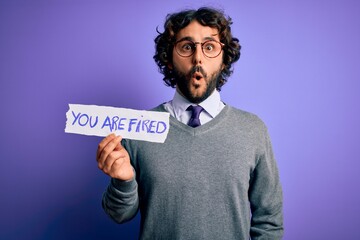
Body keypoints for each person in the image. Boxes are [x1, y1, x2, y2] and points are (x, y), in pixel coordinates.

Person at [96, 7, 283, 239]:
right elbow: (118, 214)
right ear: (170, 59)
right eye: (186, 47)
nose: (198, 58)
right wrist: (123, 180)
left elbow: (270, 221)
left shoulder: (253, 130)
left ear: (224, 60)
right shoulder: (139, 130)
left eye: (209, 47)